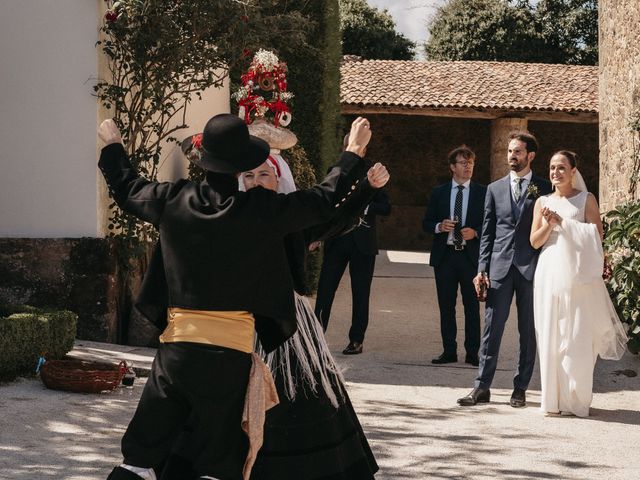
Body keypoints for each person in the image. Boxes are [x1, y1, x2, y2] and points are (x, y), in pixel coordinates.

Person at [99, 113, 387, 480]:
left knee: (138, 458)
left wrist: (112, 147)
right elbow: (322, 199)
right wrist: (351, 153)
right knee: (219, 464)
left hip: (176, 354)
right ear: (243, 167)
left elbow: (128, 188)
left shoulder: (173, 198)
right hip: (229, 357)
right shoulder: (262, 211)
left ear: (205, 161)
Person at [161, 146, 381, 480]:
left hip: (290, 327)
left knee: (301, 398)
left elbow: (334, 218)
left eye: (264, 173)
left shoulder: (292, 216)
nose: (256, 180)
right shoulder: (230, 215)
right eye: (248, 175)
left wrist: (367, 187)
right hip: (237, 323)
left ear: (279, 179)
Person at [457, 131, 552, 408]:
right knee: (492, 329)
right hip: (498, 268)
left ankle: (520, 388)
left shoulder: (544, 188)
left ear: (530, 155)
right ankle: (481, 387)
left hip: (530, 268)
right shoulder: (494, 189)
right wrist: (481, 268)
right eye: (510, 151)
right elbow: (487, 233)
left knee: (527, 330)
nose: (512, 156)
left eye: (518, 152)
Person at [530, 150, 627, 417]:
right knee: (550, 334)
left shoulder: (586, 199)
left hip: (578, 277)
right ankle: (553, 400)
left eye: (561, 167)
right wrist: (550, 225)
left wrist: (564, 222)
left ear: (573, 171)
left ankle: (577, 400)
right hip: (549, 273)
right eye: (552, 168)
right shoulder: (542, 202)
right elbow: (535, 242)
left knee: (577, 336)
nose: (555, 172)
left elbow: (597, 238)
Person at [314, 135, 391, 355]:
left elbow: (386, 207)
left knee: (361, 293)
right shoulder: (336, 170)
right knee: (325, 291)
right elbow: (326, 205)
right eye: (351, 145)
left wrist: (363, 207)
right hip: (336, 241)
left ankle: (356, 340)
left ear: (365, 149)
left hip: (364, 243)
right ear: (345, 146)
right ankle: (317, 337)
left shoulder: (376, 172)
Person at [422, 145, 486, 366]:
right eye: (463, 163)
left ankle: (473, 353)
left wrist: (475, 232)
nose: (468, 167)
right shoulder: (439, 192)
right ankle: (449, 351)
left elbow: (492, 224)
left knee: (472, 307)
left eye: (471, 163)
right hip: (445, 257)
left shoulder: (483, 193)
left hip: (470, 257)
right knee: (446, 306)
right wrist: (440, 226)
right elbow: (426, 222)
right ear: (452, 167)